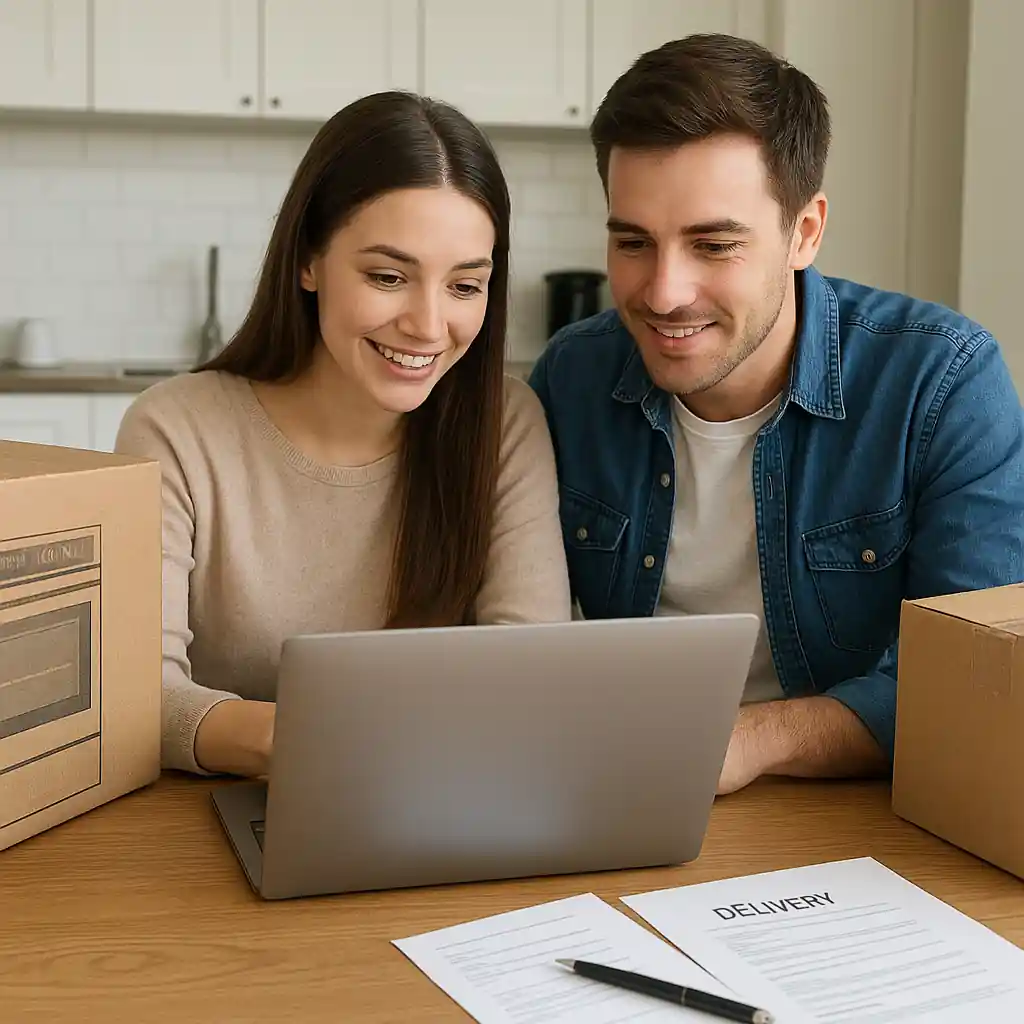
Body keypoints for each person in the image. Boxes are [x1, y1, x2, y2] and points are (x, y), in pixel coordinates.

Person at [528, 34, 1024, 795]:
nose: (663, 293)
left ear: (805, 232)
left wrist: (748, 740)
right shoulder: (572, 375)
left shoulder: (942, 380)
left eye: (713, 244)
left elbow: (975, 678)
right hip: (623, 794)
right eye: (633, 242)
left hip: (859, 819)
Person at [116, 91, 571, 778]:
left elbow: (531, 662)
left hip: (439, 794)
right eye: (388, 276)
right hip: (212, 819)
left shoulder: (504, 424)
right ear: (308, 261)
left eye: (464, 286)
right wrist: (280, 740)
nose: (427, 325)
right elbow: (134, 692)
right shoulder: (176, 431)